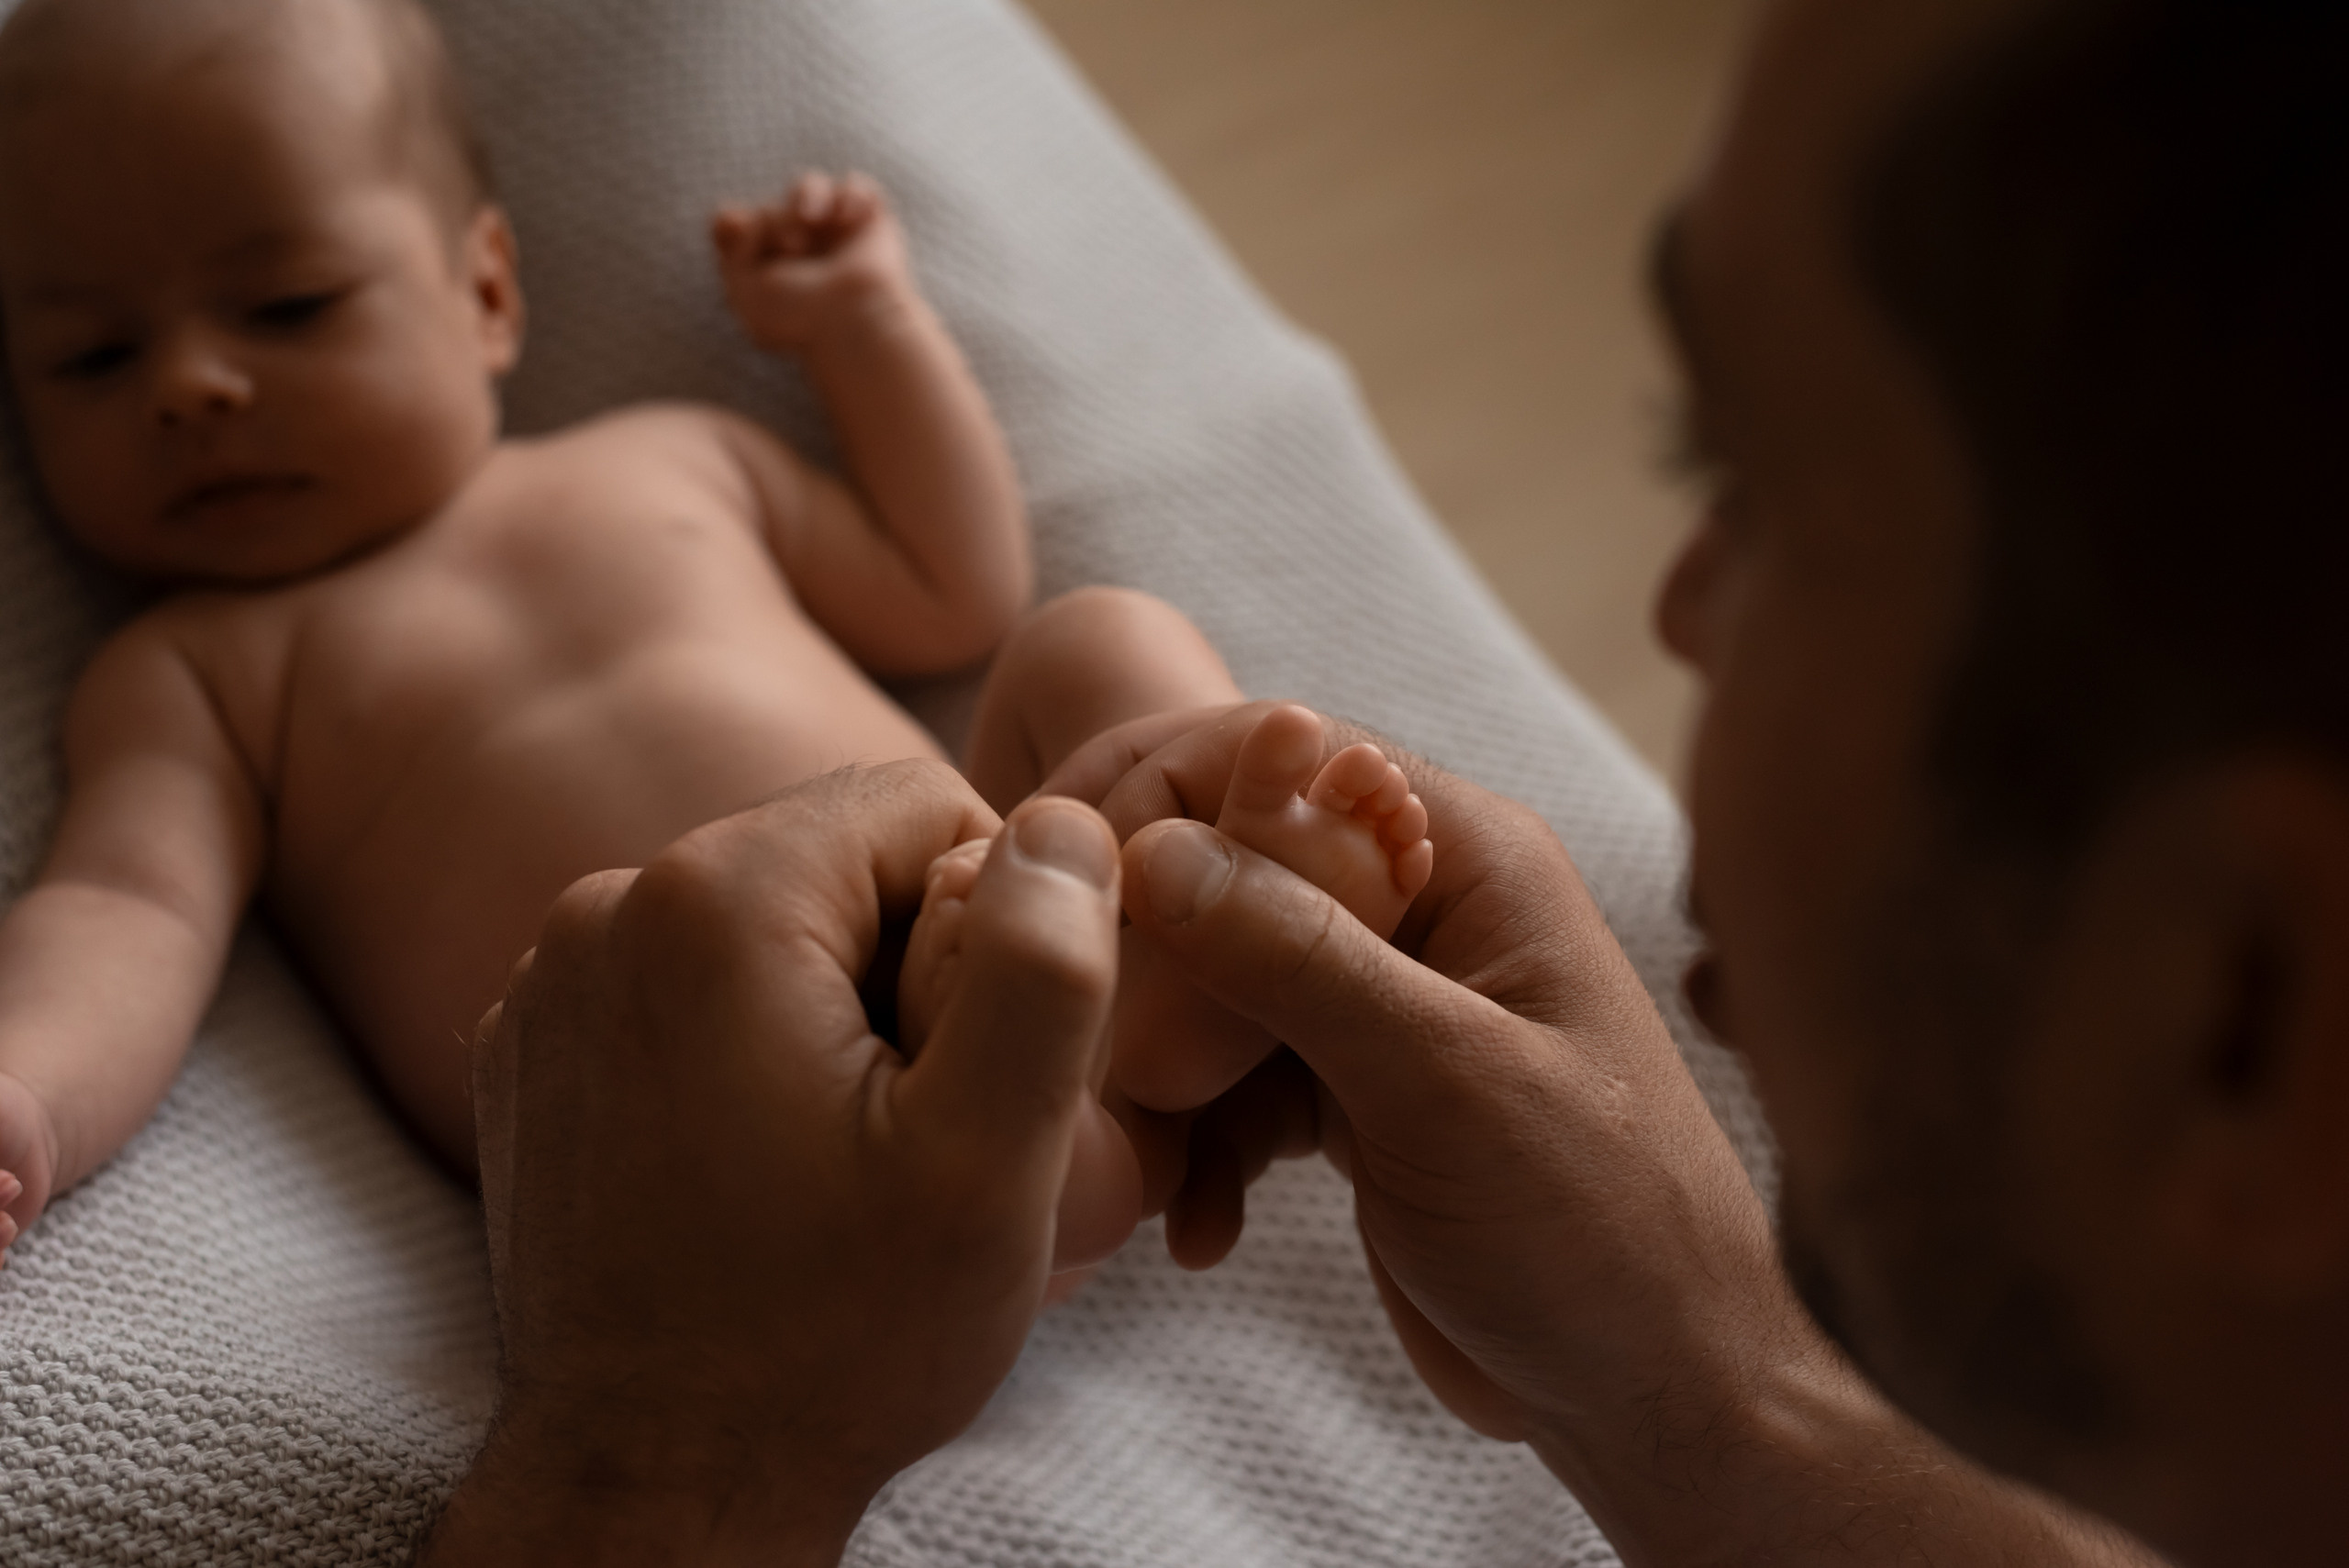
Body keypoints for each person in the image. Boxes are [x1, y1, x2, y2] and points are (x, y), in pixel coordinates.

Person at [422, 0, 2343, 1562]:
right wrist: (1707, 1383)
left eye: (1741, 490)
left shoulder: (660, 463)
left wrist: (650, 1468)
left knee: (1088, 692)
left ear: (2240, 1006)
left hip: (922, 988)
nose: (1670, 614)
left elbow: (950, 572)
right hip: (953, 929)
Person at [0, 0, 1435, 1290]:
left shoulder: (673, 457)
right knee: (964, 1034)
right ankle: (1104, 1057)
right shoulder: (197, 671)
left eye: (288, 304)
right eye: (92, 358)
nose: (191, 384)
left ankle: (1200, 915)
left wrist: (868, 328)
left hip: (977, 895)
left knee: (1095, 640)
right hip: (707, 1130)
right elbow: (131, 910)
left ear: (488, 292)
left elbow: (952, 590)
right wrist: (30, 1096)